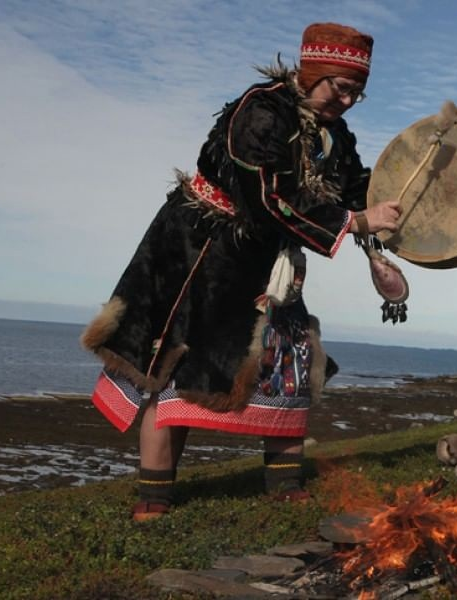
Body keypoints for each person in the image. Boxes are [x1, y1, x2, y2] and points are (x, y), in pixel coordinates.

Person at [80, 22, 401, 521]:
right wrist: (357, 221)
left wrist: (378, 252)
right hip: (201, 250)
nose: (346, 101)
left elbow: (355, 191)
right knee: (177, 365)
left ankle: (285, 482)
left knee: (284, 361)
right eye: (341, 88)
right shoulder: (261, 111)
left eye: (356, 94)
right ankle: (155, 495)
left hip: (269, 258)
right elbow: (266, 197)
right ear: (314, 70)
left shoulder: (335, 134)